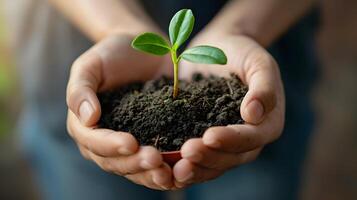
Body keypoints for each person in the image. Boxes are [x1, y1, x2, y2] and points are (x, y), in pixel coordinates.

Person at [4, 0, 319, 199]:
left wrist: (243, 27)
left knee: (252, 177)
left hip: (261, 13)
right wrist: (117, 26)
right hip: (76, 20)